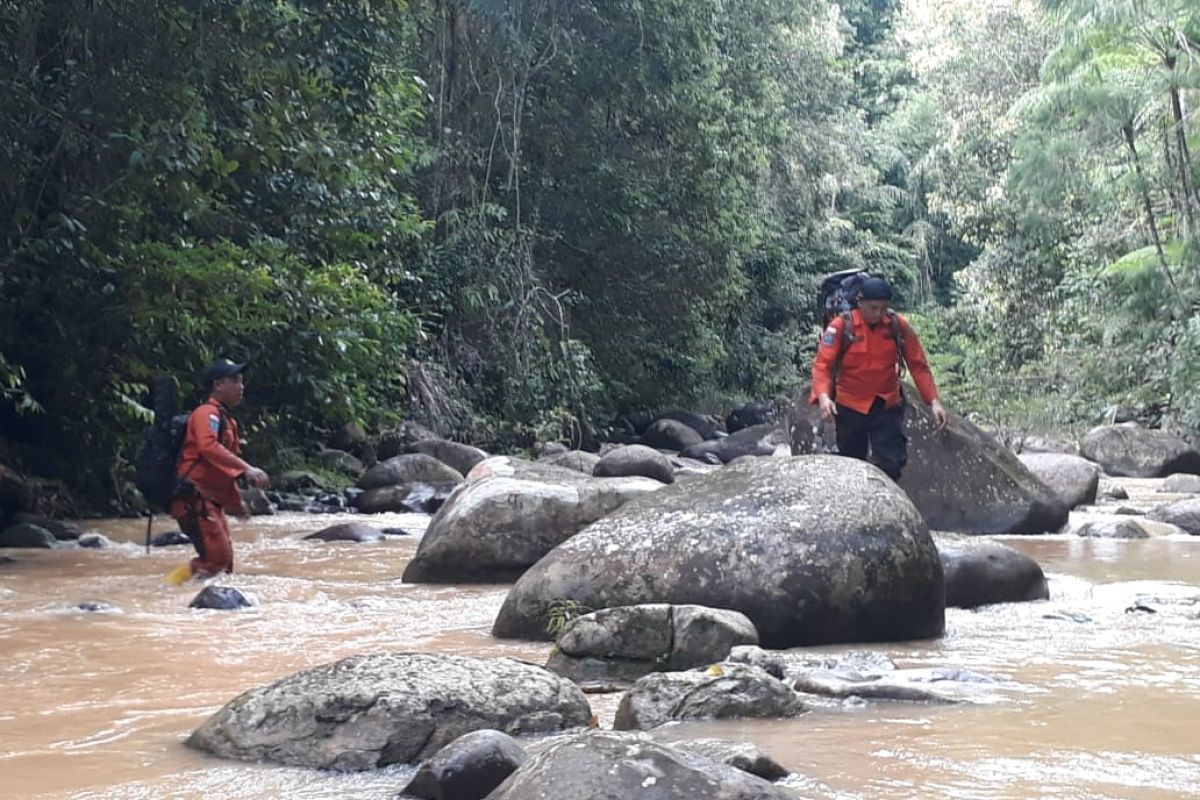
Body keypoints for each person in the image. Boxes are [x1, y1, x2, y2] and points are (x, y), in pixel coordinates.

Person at [810, 277, 947, 481]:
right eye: (873, 307)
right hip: (850, 407)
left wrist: (933, 401)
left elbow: (918, 365)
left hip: (886, 404)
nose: (879, 313)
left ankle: (884, 501)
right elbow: (822, 365)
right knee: (851, 463)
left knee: (892, 462)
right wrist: (823, 397)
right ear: (860, 302)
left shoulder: (896, 325)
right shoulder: (841, 327)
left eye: (884, 308)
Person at [168, 358, 269, 580]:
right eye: (235, 380)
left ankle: (182, 598)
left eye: (241, 381)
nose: (241, 386)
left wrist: (235, 503)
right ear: (218, 385)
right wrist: (247, 469)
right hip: (194, 499)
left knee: (225, 563)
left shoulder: (226, 421)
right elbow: (208, 447)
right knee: (216, 560)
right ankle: (168, 590)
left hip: (209, 501)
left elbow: (222, 471)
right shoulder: (207, 414)